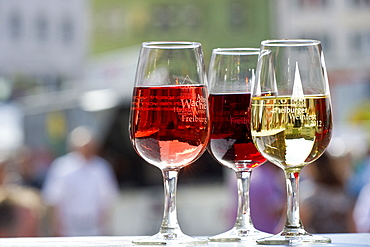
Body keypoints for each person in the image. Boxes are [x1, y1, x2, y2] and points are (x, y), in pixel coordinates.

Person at [42, 126, 119, 236]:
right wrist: (56, 227)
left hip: (94, 227)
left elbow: (108, 199)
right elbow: (54, 199)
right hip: (68, 227)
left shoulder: (101, 167)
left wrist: (105, 226)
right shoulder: (62, 167)